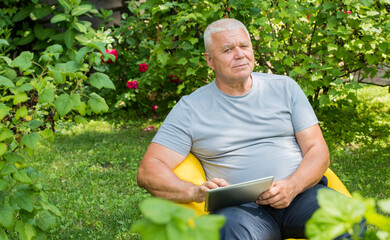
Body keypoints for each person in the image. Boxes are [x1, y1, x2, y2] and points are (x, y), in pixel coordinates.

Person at [137, 18, 331, 239]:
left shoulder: (285, 88)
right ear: (210, 61)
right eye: (228, 49)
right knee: (230, 230)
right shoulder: (190, 108)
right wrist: (193, 191)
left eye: (244, 46)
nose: (240, 54)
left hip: (300, 196)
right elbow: (149, 170)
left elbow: (318, 149)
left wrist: (294, 185)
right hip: (242, 211)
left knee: (344, 220)